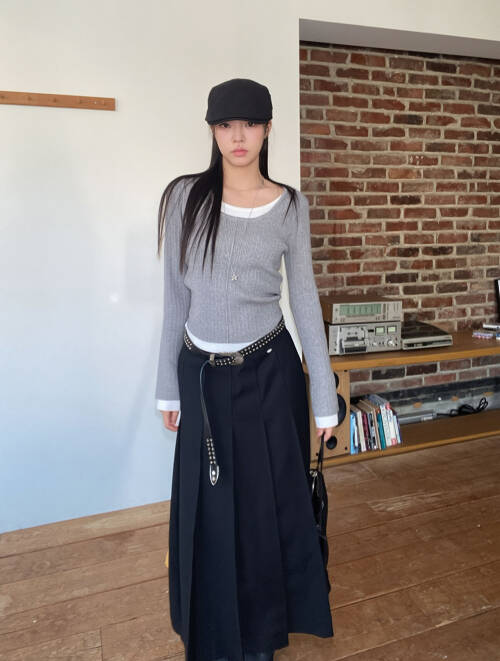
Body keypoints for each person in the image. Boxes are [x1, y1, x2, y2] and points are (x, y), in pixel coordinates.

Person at [155, 78, 339, 661]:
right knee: (209, 511)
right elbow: (175, 300)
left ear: (267, 128)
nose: (239, 136)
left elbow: (304, 298)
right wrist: (167, 388)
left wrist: (325, 397)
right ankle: (210, 631)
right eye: (226, 124)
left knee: (265, 512)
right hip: (201, 377)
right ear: (213, 130)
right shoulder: (184, 197)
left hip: (269, 373)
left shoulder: (290, 205)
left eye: (251, 124)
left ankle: (261, 636)